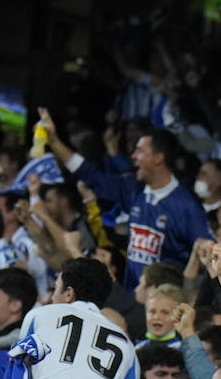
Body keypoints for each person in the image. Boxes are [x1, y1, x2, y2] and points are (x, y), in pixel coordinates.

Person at [38, 110, 211, 289]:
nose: (134, 156)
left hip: (165, 304)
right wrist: (55, 142)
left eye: (140, 151)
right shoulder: (133, 188)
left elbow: (207, 256)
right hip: (133, 294)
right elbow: (91, 176)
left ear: (159, 158)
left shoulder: (187, 206)